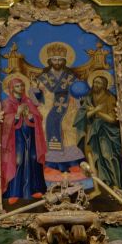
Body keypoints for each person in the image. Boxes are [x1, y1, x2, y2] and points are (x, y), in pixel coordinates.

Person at [33, 42, 85, 180]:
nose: (57, 62)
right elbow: (37, 98)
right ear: (50, 61)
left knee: (69, 130)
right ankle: (51, 165)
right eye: (54, 59)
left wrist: (79, 101)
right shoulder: (43, 78)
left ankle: (72, 164)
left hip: (68, 110)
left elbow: (78, 93)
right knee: (46, 126)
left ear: (64, 61)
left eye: (60, 59)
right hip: (48, 110)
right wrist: (35, 91)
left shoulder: (71, 78)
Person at [1, 76, 47, 204]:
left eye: (22, 85)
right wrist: (16, 114)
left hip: (31, 135)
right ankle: (14, 192)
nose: (20, 88)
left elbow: (38, 117)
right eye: (17, 86)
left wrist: (31, 117)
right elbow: (4, 123)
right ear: (11, 88)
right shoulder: (7, 103)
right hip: (15, 138)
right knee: (18, 160)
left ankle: (36, 189)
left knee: (33, 158)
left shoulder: (28, 101)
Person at [74, 72, 122, 189]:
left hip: (106, 132)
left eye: (99, 83)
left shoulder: (110, 98)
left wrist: (96, 112)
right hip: (92, 131)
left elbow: (112, 119)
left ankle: (115, 185)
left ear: (104, 85)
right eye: (94, 82)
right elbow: (83, 116)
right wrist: (96, 110)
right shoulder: (88, 98)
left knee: (107, 156)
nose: (96, 85)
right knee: (93, 158)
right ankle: (99, 187)